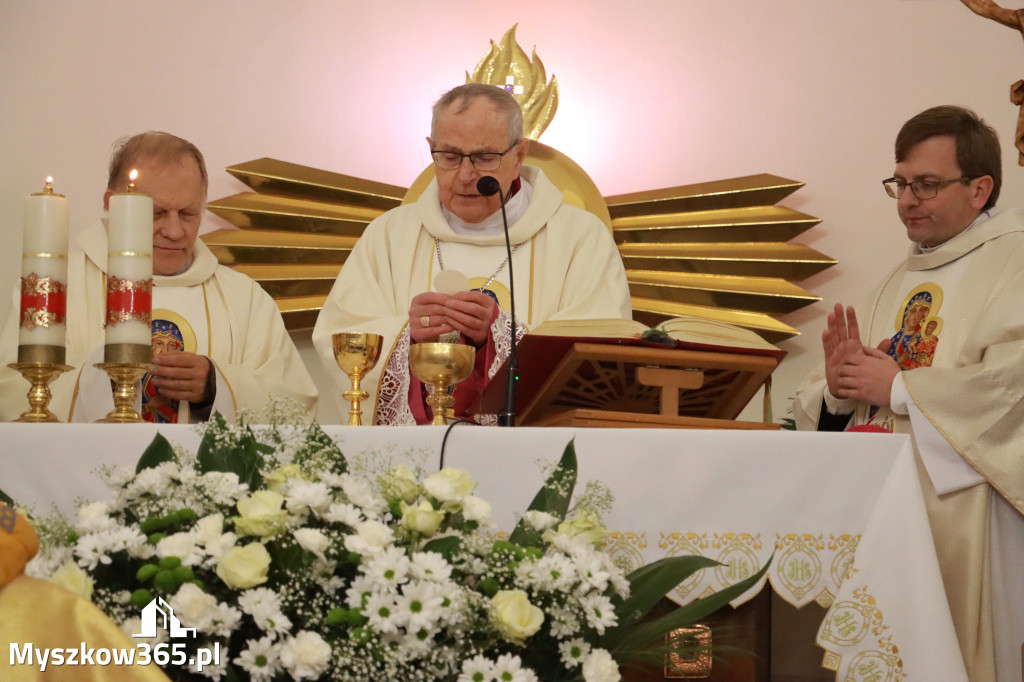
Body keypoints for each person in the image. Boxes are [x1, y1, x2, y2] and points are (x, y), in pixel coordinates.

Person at [794, 105, 1024, 682]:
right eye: (901, 183)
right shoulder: (898, 280)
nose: (908, 200)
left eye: (927, 185)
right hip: (878, 507)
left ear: (980, 189)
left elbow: (1011, 386)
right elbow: (853, 395)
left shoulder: (1013, 262)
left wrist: (899, 390)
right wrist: (840, 390)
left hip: (973, 513)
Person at [312, 83, 631, 424]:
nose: (466, 176)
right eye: (449, 157)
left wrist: (498, 333)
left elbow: (599, 356)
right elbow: (340, 336)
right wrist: (408, 334)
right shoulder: (389, 234)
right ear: (430, 149)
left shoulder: (580, 237)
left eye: (484, 158)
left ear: (519, 156)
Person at [0, 132, 318, 423]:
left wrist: (214, 386)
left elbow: (297, 405)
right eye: (156, 213)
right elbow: (11, 389)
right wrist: (107, 375)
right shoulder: (51, 286)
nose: (175, 231)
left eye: (189, 214)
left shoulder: (243, 299)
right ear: (113, 205)